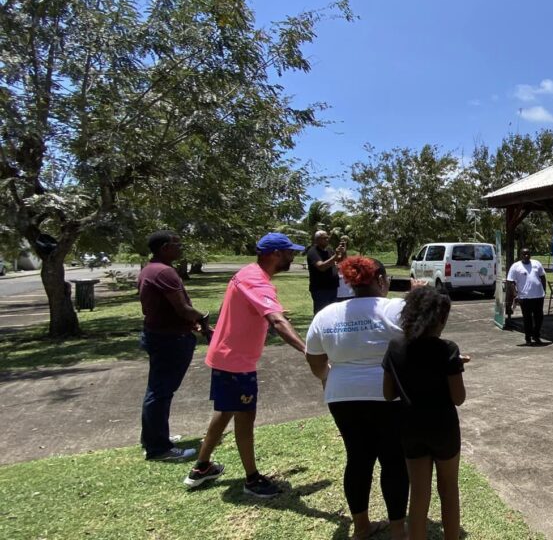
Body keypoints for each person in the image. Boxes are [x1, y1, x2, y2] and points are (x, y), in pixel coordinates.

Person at [183, 232, 308, 497]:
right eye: (289, 252)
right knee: (244, 416)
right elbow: (277, 320)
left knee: (226, 410)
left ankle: (202, 467)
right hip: (235, 361)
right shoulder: (256, 280)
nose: (292, 256)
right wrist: (308, 351)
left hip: (227, 355)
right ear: (274, 254)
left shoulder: (249, 273)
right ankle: (252, 479)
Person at [306, 257, 408, 540]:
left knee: (358, 458)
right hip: (389, 396)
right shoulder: (396, 308)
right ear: (381, 280)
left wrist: (328, 378)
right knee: (394, 460)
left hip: (342, 396)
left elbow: (314, 360)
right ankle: (399, 529)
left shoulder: (327, 314)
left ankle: (362, 527)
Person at [382, 286, 468, 540]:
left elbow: (388, 394)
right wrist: (455, 366)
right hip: (443, 427)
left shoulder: (395, 346)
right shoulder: (448, 349)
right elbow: (458, 398)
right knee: (448, 490)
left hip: (410, 426)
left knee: (419, 494)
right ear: (439, 319)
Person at [137, 230, 211, 461]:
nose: (181, 248)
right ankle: (159, 448)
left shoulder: (149, 269)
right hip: (170, 340)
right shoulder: (165, 272)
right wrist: (204, 319)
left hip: (159, 335)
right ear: (165, 248)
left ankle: (152, 437)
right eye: (177, 244)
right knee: (161, 392)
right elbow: (183, 309)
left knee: (157, 390)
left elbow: (171, 310)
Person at [506, 247, 547, 345]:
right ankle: (528, 338)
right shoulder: (516, 266)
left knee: (539, 318)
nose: (526, 256)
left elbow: (543, 277)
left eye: (528, 254)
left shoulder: (537, 263)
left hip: (538, 296)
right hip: (524, 298)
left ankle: (536, 336)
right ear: (520, 255)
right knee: (527, 319)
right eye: (524, 254)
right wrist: (515, 295)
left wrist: (544, 291)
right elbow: (510, 281)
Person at [306, 231, 347, 314]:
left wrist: (343, 252)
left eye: (327, 237)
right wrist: (335, 256)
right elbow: (321, 267)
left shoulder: (329, 250)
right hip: (321, 289)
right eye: (324, 238)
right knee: (322, 313)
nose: (327, 239)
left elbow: (339, 260)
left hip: (333, 287)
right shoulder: (313, 252)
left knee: (333, 313)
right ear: (317, 240)